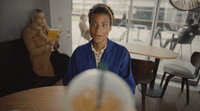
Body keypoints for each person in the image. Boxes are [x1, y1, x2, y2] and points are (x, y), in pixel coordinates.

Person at [63, 4, 136, 95]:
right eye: (94, 24)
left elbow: (128, 88)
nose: (98, 30)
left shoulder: (121, 54)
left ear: (110, 27)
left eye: (104, 25)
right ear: (89, 26)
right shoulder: (79, 52)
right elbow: (69, 82)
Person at [23, 9, 70, 78]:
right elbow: (33, 52)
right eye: (40, 18)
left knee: (68, 61)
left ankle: (66, 84)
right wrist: (48, 45)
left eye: (44, 17)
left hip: (52, 54)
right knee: (66, 59)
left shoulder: (47, 29)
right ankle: (66, 84)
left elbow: (55, 47)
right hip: (42, 59)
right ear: (34, 19)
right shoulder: (28, 31)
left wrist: (56, 41)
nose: (43, 20)